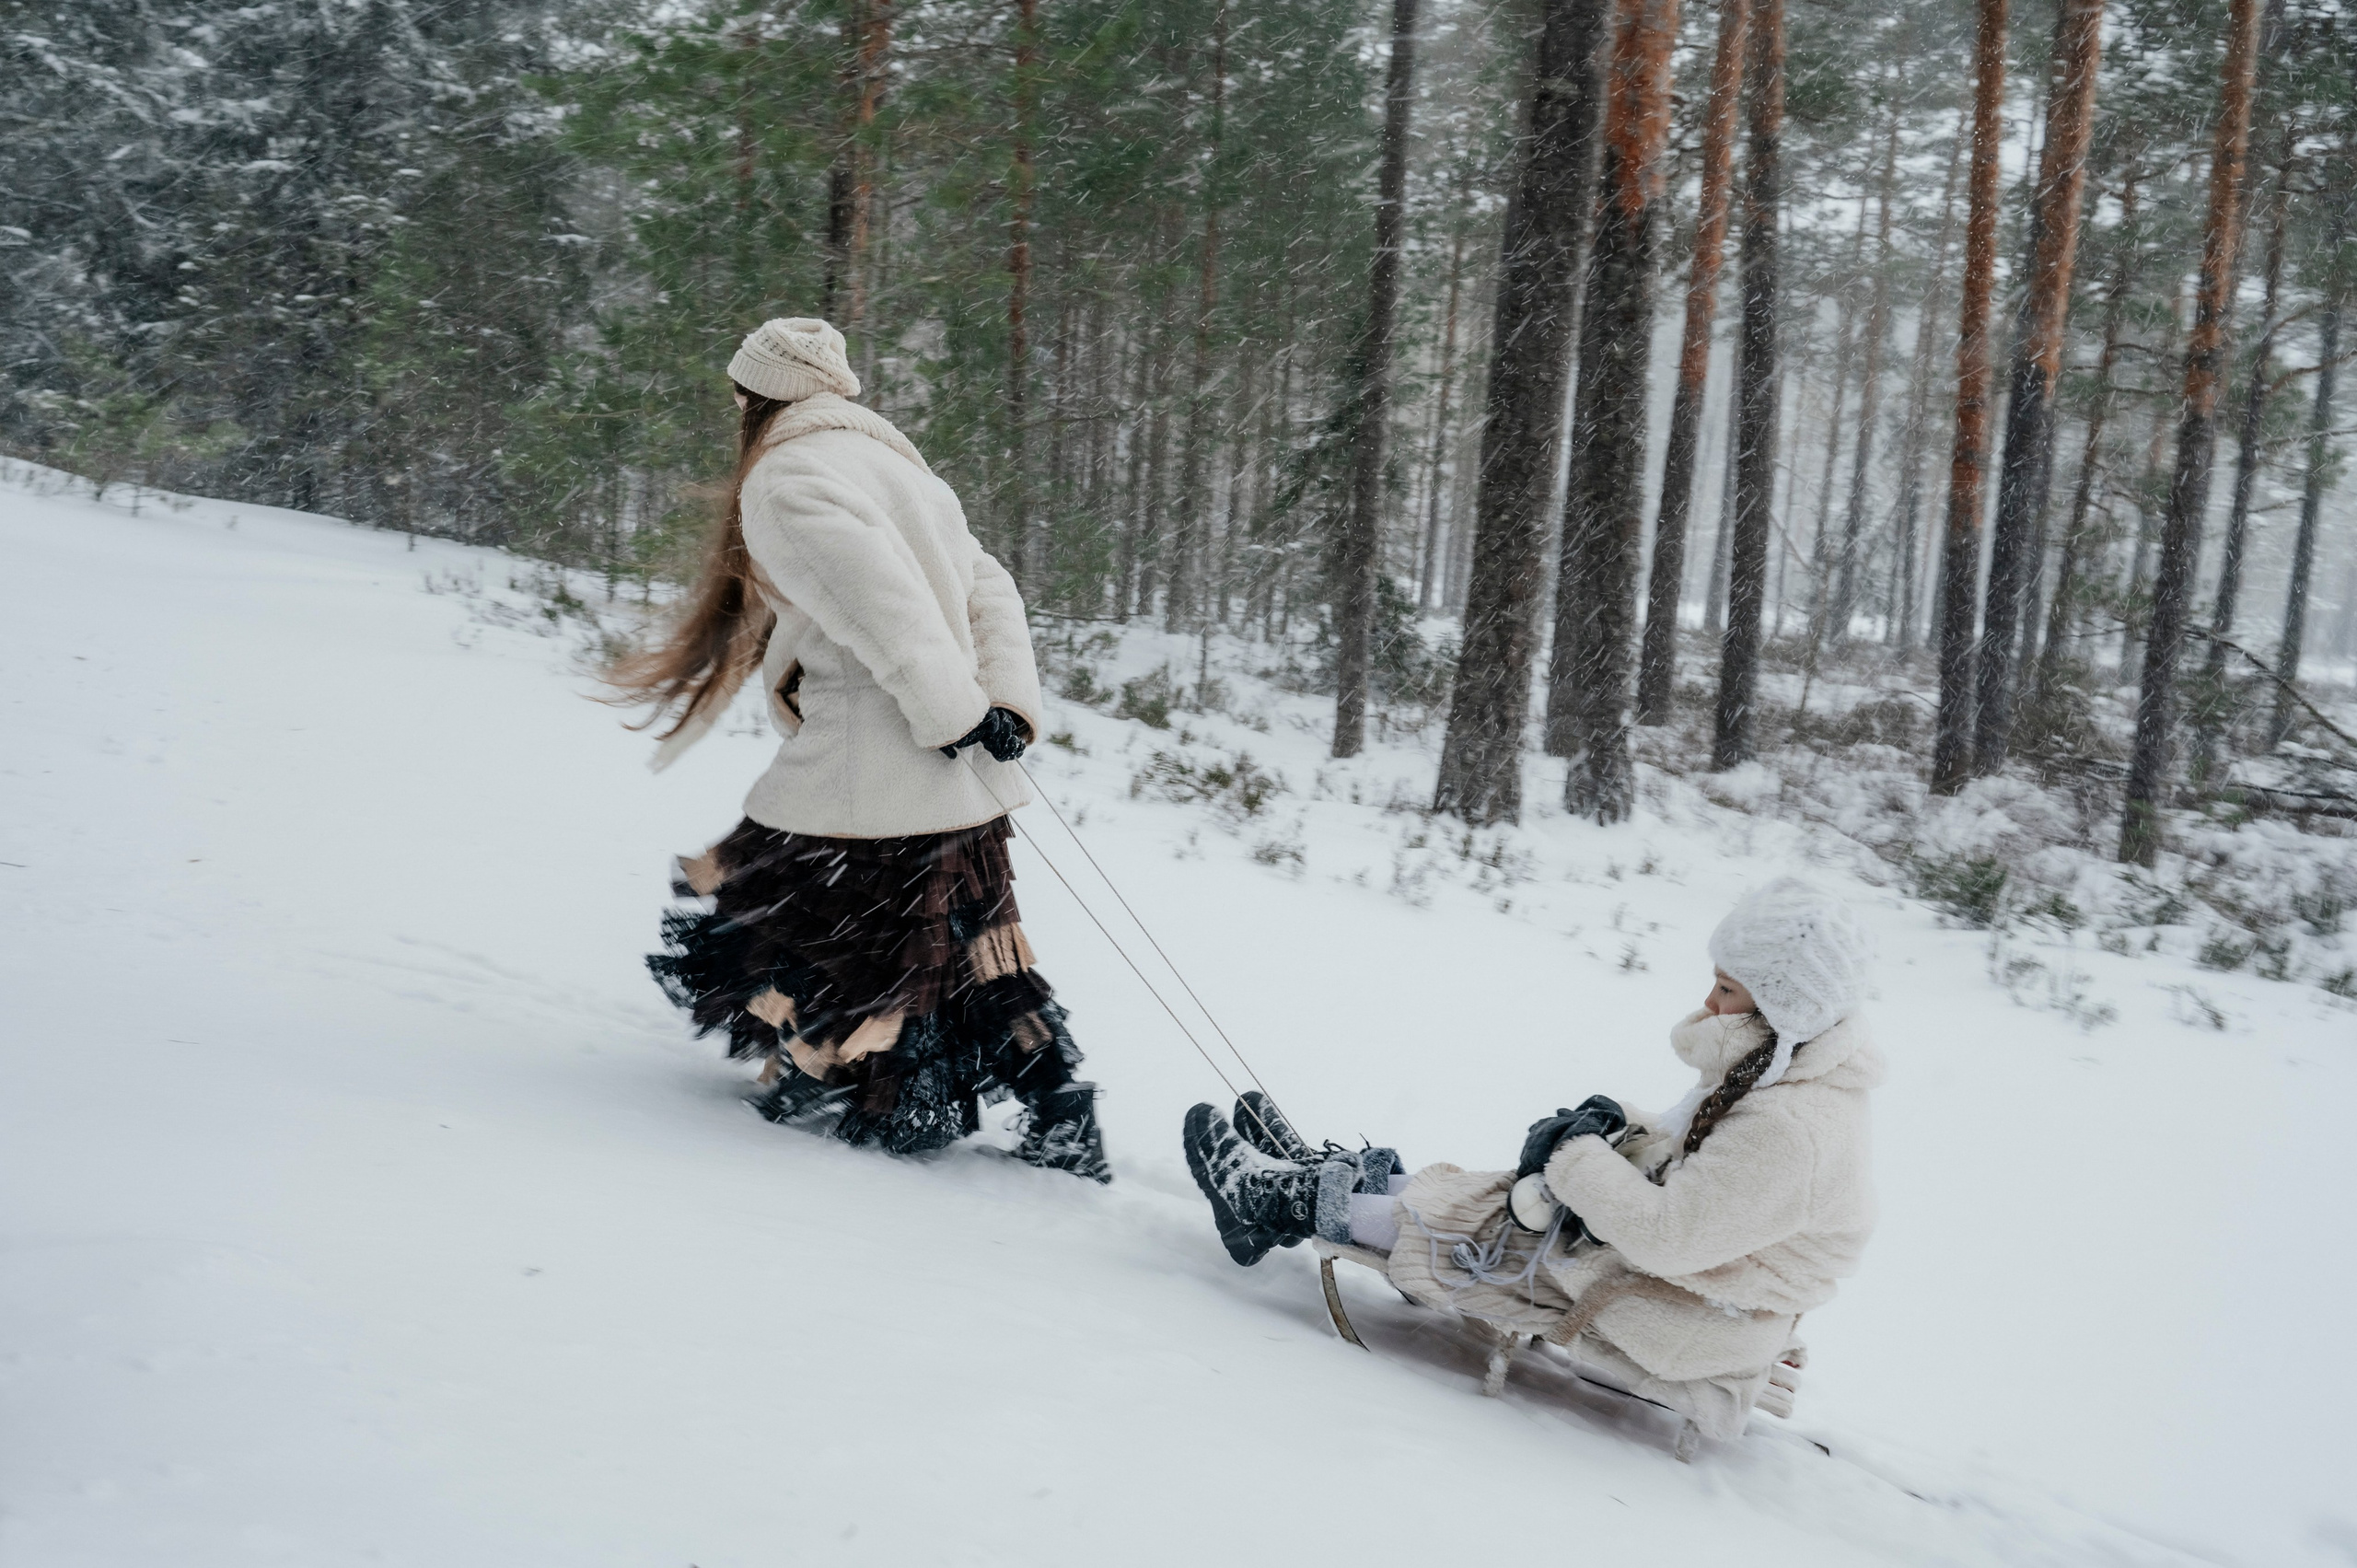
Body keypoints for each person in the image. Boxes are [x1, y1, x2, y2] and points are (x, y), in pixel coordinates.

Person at [614, 317, 1108, 1182]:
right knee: (971, 944)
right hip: (949, 761)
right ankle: (1059, 1108)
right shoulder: (899, 467)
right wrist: (1001, 706)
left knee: (814, 923)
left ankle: (860, 1090)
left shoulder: (788, 476)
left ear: (752, 395)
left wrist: (955, 713)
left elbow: (887, 610)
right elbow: (989, 583)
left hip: (871, 766)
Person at [1180, 877, 1878, 1437]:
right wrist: (1610, 1121)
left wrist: (1577, 1155)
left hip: (1682, 1314)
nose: (1707, 999)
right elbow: (1695, 1158)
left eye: (1726, 988)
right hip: (1700, 1287)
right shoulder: (1783, 1073)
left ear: (1783, 1006)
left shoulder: (1789, 1128)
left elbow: (1668, 1237)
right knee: (1509, 1193)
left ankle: (1285, 1202)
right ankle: (1326, 1184)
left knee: (1500, 1229)